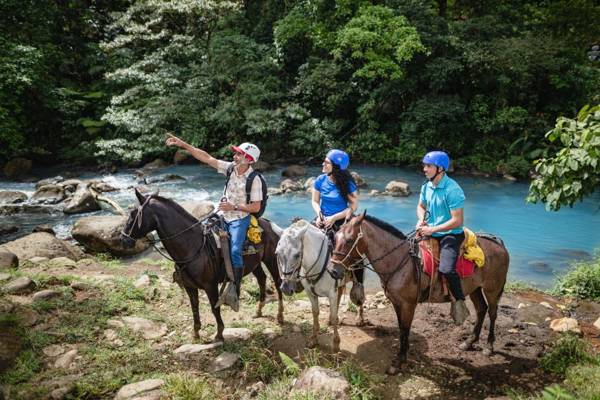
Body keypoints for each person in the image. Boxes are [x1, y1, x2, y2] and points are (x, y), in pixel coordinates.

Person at [165, 133, 263, 308]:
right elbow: (207, 158)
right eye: (236, 153)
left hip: (239, 219)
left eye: (239, 154)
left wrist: (234, 207)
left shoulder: (254, 179)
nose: (235, 156)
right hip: (221, 215)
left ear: (248, 159)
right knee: (198, 235)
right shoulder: (231, 168)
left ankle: (235, 288)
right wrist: (183, 144)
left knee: (234, 251)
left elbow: (255, 207)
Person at [416, 150, 469, 325]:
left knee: (446, 269)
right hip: (429, 230)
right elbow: (421, 206)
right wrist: (421, 220)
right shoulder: (427, 187)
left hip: (450, 235)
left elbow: (457, 220)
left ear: (440, 168)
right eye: (424, 165)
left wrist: (432, 230)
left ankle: (459, 300)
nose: (424, 169)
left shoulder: (453, 189)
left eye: (428, 166)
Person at [311, 149, 364, 297]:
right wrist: (318, 215)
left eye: (327, 162)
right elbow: (315, 201)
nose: (323, 164)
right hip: (322, 218)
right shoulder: (320, 180)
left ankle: (358, 284)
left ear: (336, 166)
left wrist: (334, 218)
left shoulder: (347, 183)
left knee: (355, 250)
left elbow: (353, 206)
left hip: (342, 219)